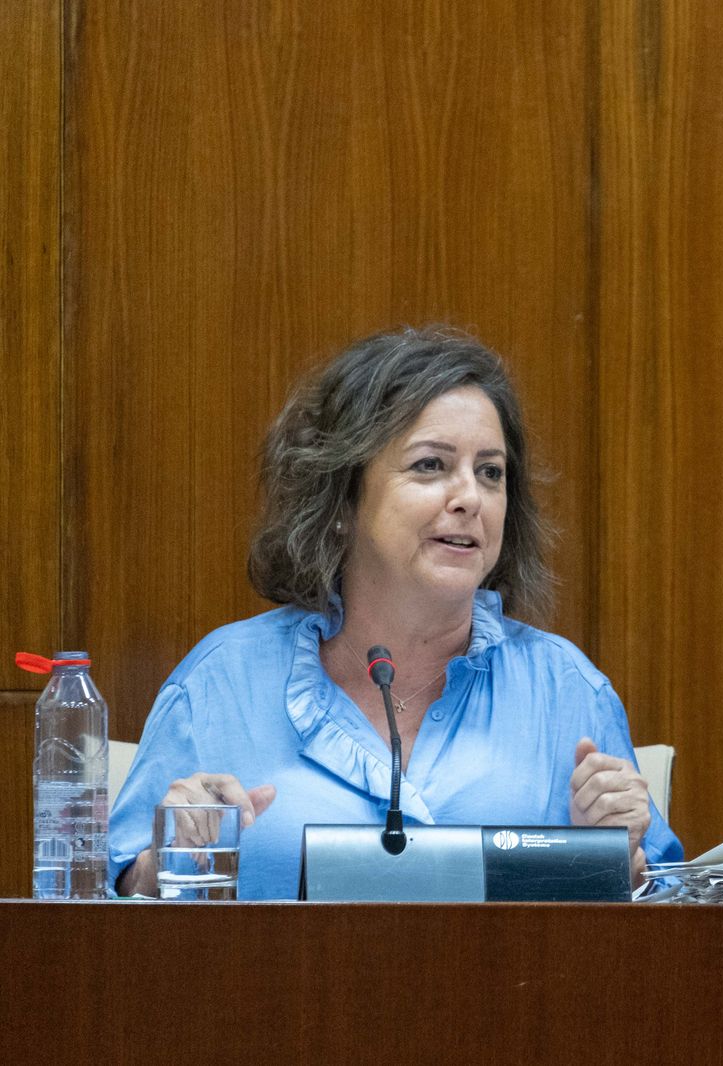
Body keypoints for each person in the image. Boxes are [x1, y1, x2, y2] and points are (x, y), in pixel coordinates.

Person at [110, 327, 681, 898]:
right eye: (431, 465)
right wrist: (163, 860)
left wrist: (617, 860)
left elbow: (662, 917)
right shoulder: (219, 683)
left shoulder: (567, 692)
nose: (470, 498)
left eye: (491, 472)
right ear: (342, 499)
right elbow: (104, 918)